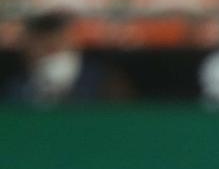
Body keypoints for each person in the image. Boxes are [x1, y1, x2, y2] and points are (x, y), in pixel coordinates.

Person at [2, 10, 130, 106]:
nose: (49, 52)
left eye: (57, 45)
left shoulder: (107, 82)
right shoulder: (16, 89)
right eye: (41, 46)